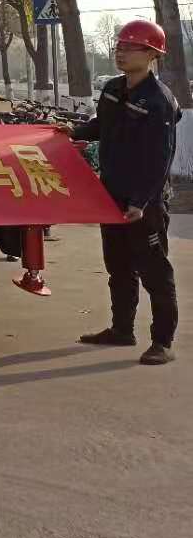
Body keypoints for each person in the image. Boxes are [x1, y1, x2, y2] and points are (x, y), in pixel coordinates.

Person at [72, 19, 179, 366]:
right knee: (118, 266)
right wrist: (71, 131)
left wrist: (141, 201)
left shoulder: (158, 100)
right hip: (112, 194)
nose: (121, 52)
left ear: (151, 55)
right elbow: (101, 125)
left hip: (142, 201)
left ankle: (162, 341)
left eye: (130, 47)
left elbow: (160, 158)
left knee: (154, 272)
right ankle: (122, 330)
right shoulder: (114, 89)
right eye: (119, 46)